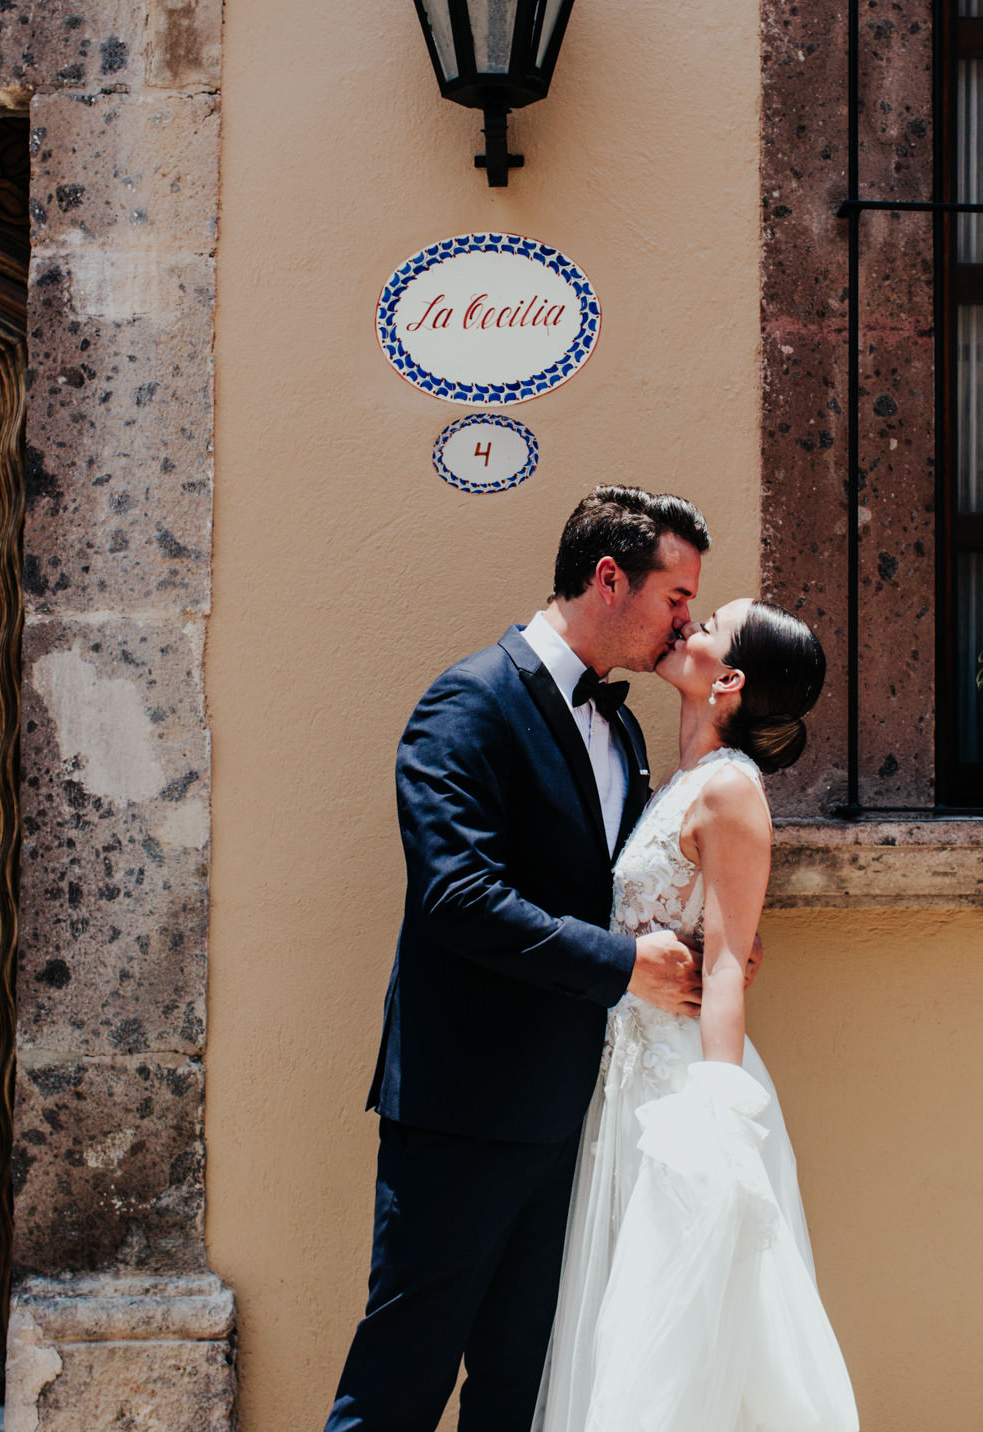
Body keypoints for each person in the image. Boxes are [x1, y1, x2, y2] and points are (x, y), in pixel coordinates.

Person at [325, 486, 732, 1432]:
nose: (683, 621)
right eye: (676, 597)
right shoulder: (469, 702)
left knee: (525, 1392)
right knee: (398, 1385)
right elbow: (456, 896)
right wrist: (625, 966)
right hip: (462, 1113)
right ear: (607, 578)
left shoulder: (622, 728)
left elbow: (621, 889)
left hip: (571, 1115)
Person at [535, 598, 858, 1432]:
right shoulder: (676, 781)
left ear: (731, 680)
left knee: (683, 1325)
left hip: (684, 1087)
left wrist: (718, 1115)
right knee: (629, 1311)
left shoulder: (729, 791)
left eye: (706, 622)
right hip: (628, 1072)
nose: (685, 626)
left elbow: (724, 967)